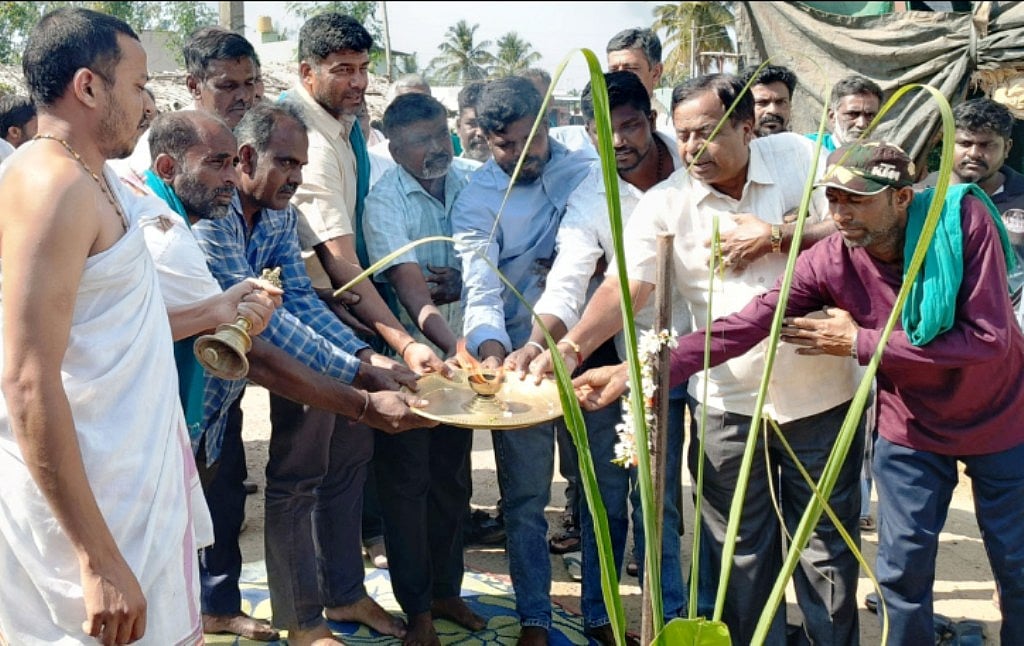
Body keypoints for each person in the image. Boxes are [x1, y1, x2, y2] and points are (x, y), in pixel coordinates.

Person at [576, 140, 1024, 646]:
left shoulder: (960, 224)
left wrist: (859, 341)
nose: (840, 213)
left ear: (901, 198)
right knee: (902, 573)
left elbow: (988, 340)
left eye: (857, 199)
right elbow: (748, 323)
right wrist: (640, 370)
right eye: (832, 199)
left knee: (1017, 564)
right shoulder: (833, 257)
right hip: (912, 425)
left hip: (1002, 418)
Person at [531, 74, 861, 645]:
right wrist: (571, 345)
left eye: (707, 134)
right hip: (727, 401)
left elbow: (856, 219)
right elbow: (627, 287)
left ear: (747, 125)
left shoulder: (799, 157)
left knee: (824, 551)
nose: (692, 150)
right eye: (683, 137)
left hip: (820, 393)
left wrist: (781, 235)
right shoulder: (666, 203)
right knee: (739, 551)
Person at [0, 8, 210, 643]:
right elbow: (28, 381)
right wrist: (97, 558)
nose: (149, 107)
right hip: (86, 520)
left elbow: (108, 332)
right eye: (140, 86)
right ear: (89, 86)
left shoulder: (95, 175)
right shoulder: (49, 183)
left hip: (126, 492)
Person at [193, 100, 425, 646]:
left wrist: (367, 359)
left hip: (284, 361)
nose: (297, 177)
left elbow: (296, 298)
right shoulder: (214, 215)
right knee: (284, 484)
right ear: (246, 158)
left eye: (301, 166)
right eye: (287, 164)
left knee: (344, 466)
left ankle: (342, 593)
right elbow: (262, 325)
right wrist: (357, 372)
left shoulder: (276, 213)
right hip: (202, 383)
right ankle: (300, 623)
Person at [511, 71, 686, 645]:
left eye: (630, 126)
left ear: (652, 119)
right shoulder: (591, 194)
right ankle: (601, 617)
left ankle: (668, 620)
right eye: (602, 133)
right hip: (617, 354)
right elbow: (569, 282)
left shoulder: (694, 167)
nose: (619, 144)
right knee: (604, 496)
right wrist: (543, 343)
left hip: (703, 354)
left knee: (663, 504)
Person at [451, 75, 592, 646]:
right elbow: (479, 287)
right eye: (504, 145)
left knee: (602, 490)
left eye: (529, 142)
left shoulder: (584, 164)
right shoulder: (477, 199)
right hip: (519, 369)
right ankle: (534, 613)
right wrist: (493, 356)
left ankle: (601, 612)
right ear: (484, 138)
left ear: (548, 121)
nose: (519, 156)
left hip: (591, 353)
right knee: (527, 498)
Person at [363, 92, 486, 646]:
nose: (437, 148)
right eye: (420, 141)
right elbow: (410, 288)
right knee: (407, 484)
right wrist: (451, 344)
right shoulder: (383, 199)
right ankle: (416, 609)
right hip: (413, 364)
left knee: (452, 482)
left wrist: (466, 284)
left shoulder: (476, 180)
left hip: (467, 361)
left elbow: (490, 262)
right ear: (393, 148)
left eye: (441, 134)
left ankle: (446, 591)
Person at [284, 13, 444, 375]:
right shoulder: (307, 140)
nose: (358, 82)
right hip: (314, 305)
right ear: (308, 73)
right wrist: (406, 343)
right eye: (343, 70)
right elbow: (343, 266)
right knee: (322, 425)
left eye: (363, 68)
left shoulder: (342, 123)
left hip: (343, 303)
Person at [807, 74, 883, 152]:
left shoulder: (880, 158)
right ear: (832, 116)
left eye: (870, 115)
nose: (861, 124)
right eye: (853, 114)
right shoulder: (809, 147)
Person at [741, 64, 797, 137]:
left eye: (780, 102)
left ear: (790, 106)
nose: (773, 110)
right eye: (762, 102)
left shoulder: (808, 146)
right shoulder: (731, 148)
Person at [456, 81, 491, 164]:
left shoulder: (512, 174)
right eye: (472, 124)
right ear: (458, 127)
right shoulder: (448, 174)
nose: (480, 132)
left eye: (485, 123)